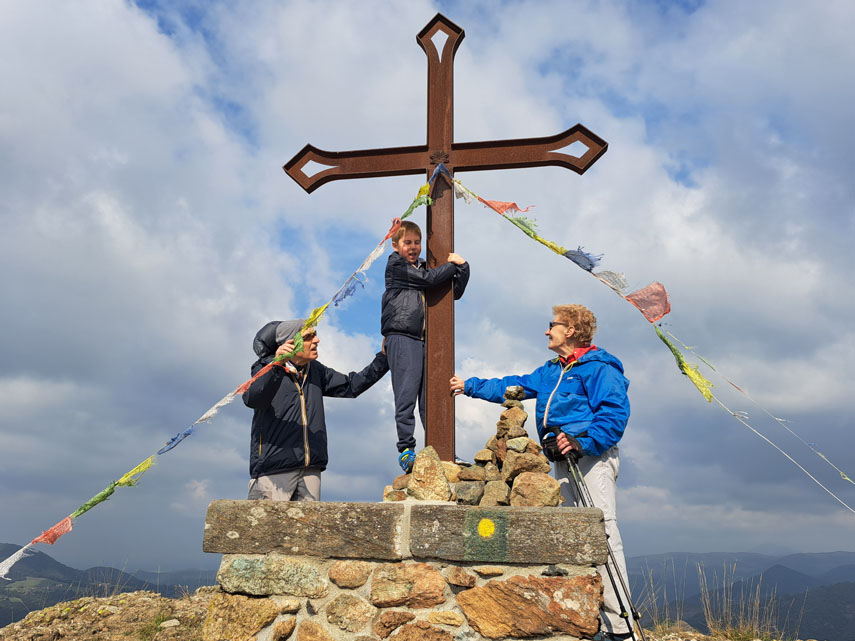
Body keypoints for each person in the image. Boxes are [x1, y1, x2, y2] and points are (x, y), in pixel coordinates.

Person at [450, 304, 634, 640]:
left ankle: (621, 627)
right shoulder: (552, 370)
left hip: (591, 459)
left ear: (573, 330)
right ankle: (591, 619)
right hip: (561, 461)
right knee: (572, 534)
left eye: (553, 325)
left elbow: (615, 413)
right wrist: (470, 385)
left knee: (602, 531)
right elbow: (515, 385)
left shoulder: (600, 368)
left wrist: (584, 441)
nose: (548, 331)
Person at [242, 319, 389, 501]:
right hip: (274, 471)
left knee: (307, 530)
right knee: (265, 530)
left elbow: (351, 386)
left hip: (311, 471)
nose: (317, 340)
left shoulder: (315, 370)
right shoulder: (265, 368)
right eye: (308, 337)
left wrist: (383, 358)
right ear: (289, 344)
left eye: (315, 335)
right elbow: (252, 399)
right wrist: (277, 366)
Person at [382, 220, 470, 473]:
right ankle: (406, 449)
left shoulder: (425, 266)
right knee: (406, 393)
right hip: (402, 336)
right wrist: (453, 266)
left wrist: (463, 268)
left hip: (426, 340)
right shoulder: (396, 266)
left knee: (431, 394)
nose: (413, 247)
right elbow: (429, 280)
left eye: (417, 242)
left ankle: (439, 449)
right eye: (407, 242)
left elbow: (454, 291)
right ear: (395, 245)